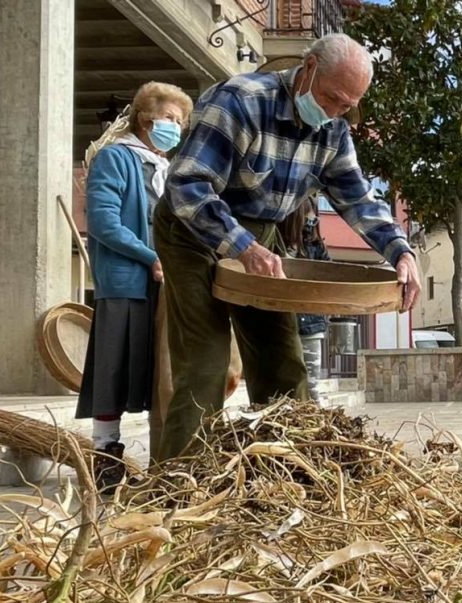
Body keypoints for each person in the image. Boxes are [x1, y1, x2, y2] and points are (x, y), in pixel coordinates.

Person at [154, 33, 421, 461]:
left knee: (283, 361)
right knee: (205, 365)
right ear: (309, 67)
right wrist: (242, 245)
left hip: (261, 232)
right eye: (332, 98)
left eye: (346, 106)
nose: (335, 112)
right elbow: (187, 186)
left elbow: (356, 198)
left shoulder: (333, 128)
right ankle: (177, 485)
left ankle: (288, 474)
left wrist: (399, 250)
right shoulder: (238, 100)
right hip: (194, 228)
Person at [76, 81, 192, 490]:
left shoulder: (165, 168)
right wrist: (150, 257)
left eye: (180, 122)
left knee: (154, 370)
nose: (174, 129)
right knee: (115, 368)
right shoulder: (115, 158)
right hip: (126, 283)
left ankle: (162, 454)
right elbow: (105, 223)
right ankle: (105, 455)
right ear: (146, 119)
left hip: (163, 283)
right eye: (169, 119)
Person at [282, 197, 333, 404]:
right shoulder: (280, 247)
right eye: (307, 220)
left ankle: (318, 423)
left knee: (311, 385)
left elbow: (330, 278)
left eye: (314, 221)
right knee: (289, 382)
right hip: (285, 323)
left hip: (312, 326)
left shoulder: (316, 248)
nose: (311, 225)